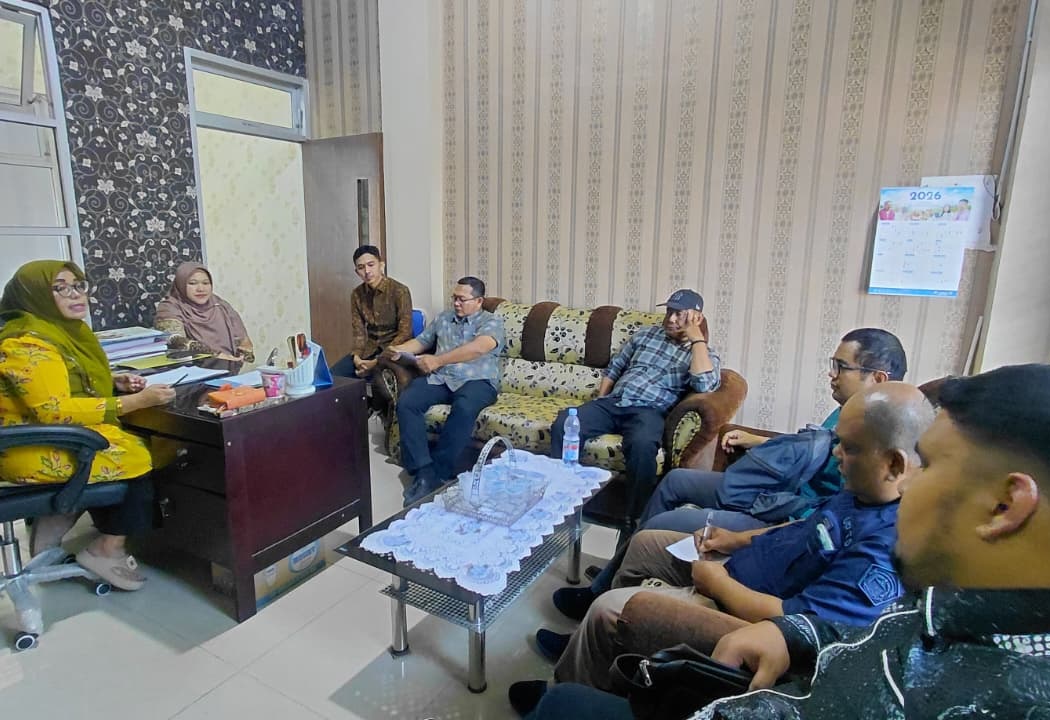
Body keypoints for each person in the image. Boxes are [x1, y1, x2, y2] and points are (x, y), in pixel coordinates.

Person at [519, 364, 1050, 720]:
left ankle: (593, 653)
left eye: (927, 463)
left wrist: (717, 582)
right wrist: (739, 542)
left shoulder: (988, 690)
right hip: (749, 579)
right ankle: (594, 653)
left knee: (603, 633)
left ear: (1005, 506)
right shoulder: (927, 591)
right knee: (650, 543)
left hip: (737, 603)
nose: (913, 479)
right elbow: (807, 543)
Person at [562, 328, 906, 614]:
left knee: (663, 523)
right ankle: (613, 574)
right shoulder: (849, 412)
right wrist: (757, 440)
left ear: (877, 378)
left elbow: (823, 516)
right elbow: (812, 449)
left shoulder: (880, 440)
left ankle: (603, 594)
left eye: (841, 366)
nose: (831, 373)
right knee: (675, 481)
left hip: (780, 514)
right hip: (774, 490)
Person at [0, 260, 177, 591]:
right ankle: (106, 549)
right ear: (34, 295)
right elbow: (53, 410)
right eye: (60, 288)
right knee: (140, 452)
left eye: (78, 285)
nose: (75, 294)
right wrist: (135, 402)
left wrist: (113, 382)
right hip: (27, 446)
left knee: (129, 441)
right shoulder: (27, 343)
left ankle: (52, 529)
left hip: (45, 436)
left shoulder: (60, 331)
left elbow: (65, 379)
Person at [550, 289, 721, 521]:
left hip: (649, 411)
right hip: (614, 402)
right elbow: (615, 368)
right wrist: (601, 398)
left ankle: (636, 518)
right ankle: (562, 499)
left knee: (642, 445)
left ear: (696, 317)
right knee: (565, 423)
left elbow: (705, 385)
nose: (671, 319)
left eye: (679, 314)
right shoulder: (646, 334)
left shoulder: (704, 354)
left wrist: (696, 338)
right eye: (669, 311)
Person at [386, 276, 505, 505]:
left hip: (477, 380)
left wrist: (438, 360)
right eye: (454, 298)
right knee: (408, 402)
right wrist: (398, 350)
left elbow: (478, 348)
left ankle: (440, 470)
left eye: (462, 299)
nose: (456, 303)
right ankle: (424, 471)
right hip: (443, 378)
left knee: (464, 407)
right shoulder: (443, 318)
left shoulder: (491, 322)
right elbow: (422, 341)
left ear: (479, 301)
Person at [329, 245, 413, 379]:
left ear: (381, 265)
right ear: (357, 272)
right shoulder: (357, 294)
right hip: (370, 349)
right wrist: (357, 357)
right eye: (361, 267)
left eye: (371, 265)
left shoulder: (400, 291)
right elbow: (359, 333)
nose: (367, 271)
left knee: (380, 381)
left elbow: (405, 333)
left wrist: (376, 362)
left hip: (395, 350)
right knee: (332, 376)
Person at [154, 261, 254, 362]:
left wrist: (241, 356)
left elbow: (243, 342)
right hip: (190, 368)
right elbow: (175, 341)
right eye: (192, 283)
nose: (201, 289)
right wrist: (216, 355)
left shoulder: (220, 305)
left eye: (205, 283)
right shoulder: (169, 308)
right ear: (181, 284)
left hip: (229, 366)